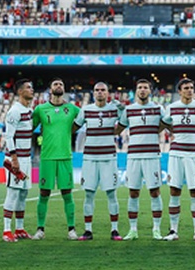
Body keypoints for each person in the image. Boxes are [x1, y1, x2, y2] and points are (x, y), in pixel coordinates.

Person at [161, 78, 195, 241]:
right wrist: (174, 132)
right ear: (180, 91)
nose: (190, 90)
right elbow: (165, 123)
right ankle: (173, 231)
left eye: (192, 87)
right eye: (186, 88)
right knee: (174, 190)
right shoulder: (172, 108)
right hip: (176, 154)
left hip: (194, 154)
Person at [115, 79, 165, 240]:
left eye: (145, 87)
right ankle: (133, 230)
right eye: (139, 88)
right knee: (133, 192)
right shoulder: (129, 110)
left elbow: (167, 124)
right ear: (136, 91)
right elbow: (117, 130)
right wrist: (113, 114)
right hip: (134, 156)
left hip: (152, 155)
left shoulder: (158, 108)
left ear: (150, 91)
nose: (142, 90)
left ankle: (156, 229)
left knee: (155, 192)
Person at [73, 82, 123, 241]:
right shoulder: (86, 110)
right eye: (97, 90)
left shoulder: (114, 109)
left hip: (109, 158)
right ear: (93, 93)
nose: (100, 92)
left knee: (111, 194)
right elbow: (73, 127)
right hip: (90, 158)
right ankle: (88, 231)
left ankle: (114, 230)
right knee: (88, 194)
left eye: (103, 90)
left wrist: (122, 109)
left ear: (108, 93)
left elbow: (125, 122)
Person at [32, 78, 80, 240]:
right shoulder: (40, 109)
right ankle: (40, 229)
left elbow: (85, 121)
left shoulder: (72, 109)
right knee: (44, 193)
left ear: (64, 89)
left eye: (61, 84)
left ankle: (71, 230)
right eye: (55, 84)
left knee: (67, 194)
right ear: (50, 89)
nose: (59, 86)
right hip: (47, 157)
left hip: (65, 156)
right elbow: (28, 127)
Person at [2, 79, 34, 242]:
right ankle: (7, 230)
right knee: (13, 193)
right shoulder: (15, 111)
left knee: (23, 193)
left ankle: (19, 228)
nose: (32, 90)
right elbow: (8, 136)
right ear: (20, 91)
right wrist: (14, 159)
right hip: (16, 159)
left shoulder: (28, 110)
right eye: (28, 88)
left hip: (26, 158)